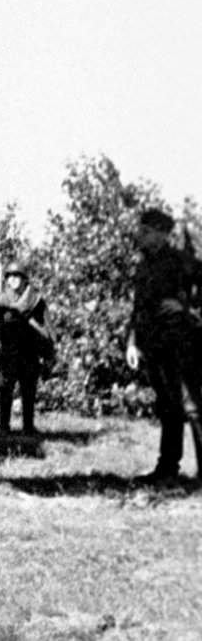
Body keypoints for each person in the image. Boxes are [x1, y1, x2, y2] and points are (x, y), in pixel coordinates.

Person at [125, 206, 202, 486]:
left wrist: (187, 309)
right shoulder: (143, 266)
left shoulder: (183, 262)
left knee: (192, 407)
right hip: (153, 345)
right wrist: (132, 343)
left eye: (145, 232)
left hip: (182, 343)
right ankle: (167, 469)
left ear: (161, 234)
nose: (140, 235)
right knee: (168, 407)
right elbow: (137, 309)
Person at [0, 265, 51, 435]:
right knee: (5, 389)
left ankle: (28, 426)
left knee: (28, 390)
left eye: (17, 275)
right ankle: (3, 426)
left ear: (25, 279)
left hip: (29, 351)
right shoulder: (1, 300)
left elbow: (46, 327)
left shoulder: (36, 300)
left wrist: (48, 351)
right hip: (8, 351)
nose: (12, 279)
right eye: (9, 276)